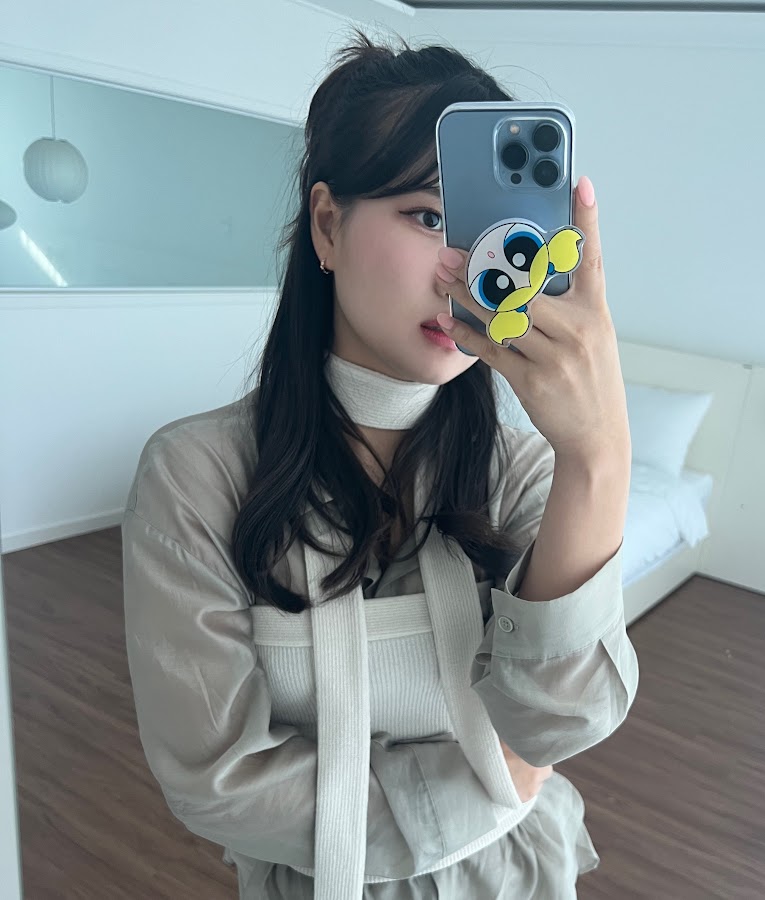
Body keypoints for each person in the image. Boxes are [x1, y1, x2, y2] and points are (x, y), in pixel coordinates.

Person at [121, 29, 639, 900]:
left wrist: (600, 456)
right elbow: (216, 781)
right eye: (430, 217)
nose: (466, 272)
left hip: (519, 875)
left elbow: (559, 725)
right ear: (327, 225)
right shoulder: (195, 478)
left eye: (486, 229)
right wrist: (484, 789)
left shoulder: (524, 474)